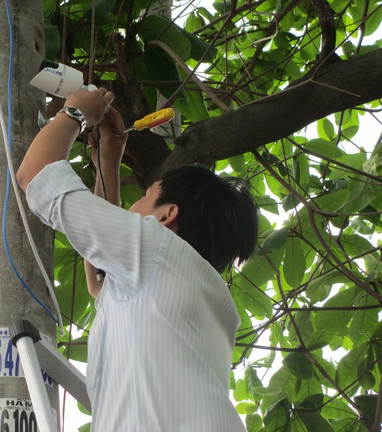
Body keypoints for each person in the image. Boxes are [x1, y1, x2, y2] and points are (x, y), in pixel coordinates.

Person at [16, 87, 259, 431]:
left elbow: (35, 174)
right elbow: (101, 283)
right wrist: (107, 160)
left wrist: (74, 113)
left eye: (145, 197)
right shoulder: (194, 291)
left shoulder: (157, 251)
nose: (133, 208)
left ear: (166, 216)